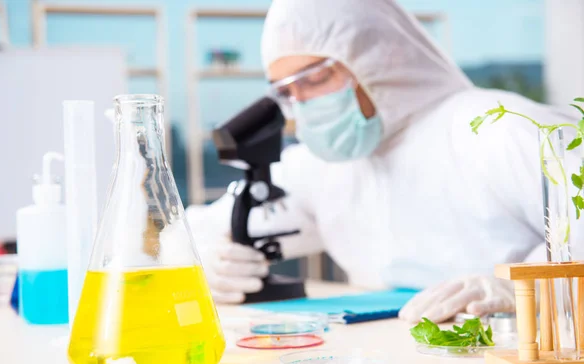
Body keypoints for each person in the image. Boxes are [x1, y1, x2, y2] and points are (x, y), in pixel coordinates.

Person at [186, 0, 580, 323]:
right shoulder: (325, 168)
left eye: (313, 79)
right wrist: (203, 256)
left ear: (377, 56)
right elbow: (186, 230)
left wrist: (528, 288)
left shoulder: (497, 127)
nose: (302, 105)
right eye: (289, 91)